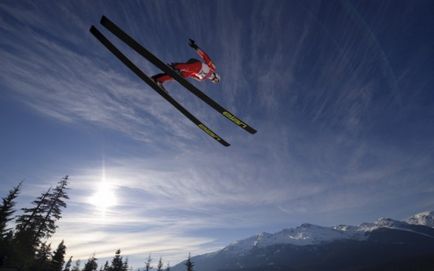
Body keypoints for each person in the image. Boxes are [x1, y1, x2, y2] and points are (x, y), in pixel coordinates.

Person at [152, 39, 220, 90]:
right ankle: (176, 67)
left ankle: (158, 79)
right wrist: (196, 48)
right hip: (196, 64)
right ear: (216, 76)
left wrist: (182, 76)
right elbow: (205, 57)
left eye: (213, 81)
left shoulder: (202, 79)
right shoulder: (212, 68)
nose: (213, 80)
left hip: (191, 71)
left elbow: (193, 75)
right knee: (191, 68)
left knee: (178, 76)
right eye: (215, 79)